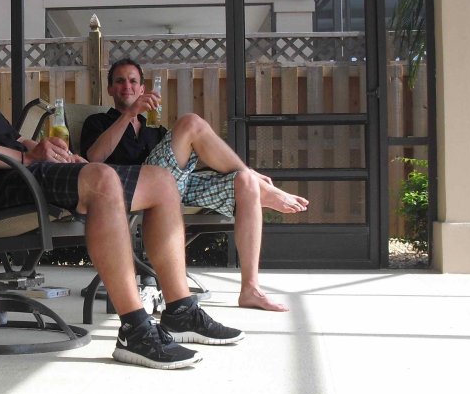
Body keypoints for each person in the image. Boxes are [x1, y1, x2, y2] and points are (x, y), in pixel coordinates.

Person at [0, 0, 244, 370]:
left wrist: (46, 151)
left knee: (162, 182)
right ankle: (135, 329)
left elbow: (12, 139)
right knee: (102, 178)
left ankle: (180, 310)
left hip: (12, 178)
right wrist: (26, 158)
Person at [80, 58, 310, 313]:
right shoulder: (97, 122)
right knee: (190, 122)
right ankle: (255, 176)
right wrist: (129, 114)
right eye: (120, 81)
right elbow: (94, 158)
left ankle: (250, 289)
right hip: (129, 188)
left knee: (245, 184)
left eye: (133, 81)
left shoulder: (154, 129)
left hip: (173, 188)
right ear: (110, 88)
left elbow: (181, 167)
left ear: (142, 89)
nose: (127, 86)